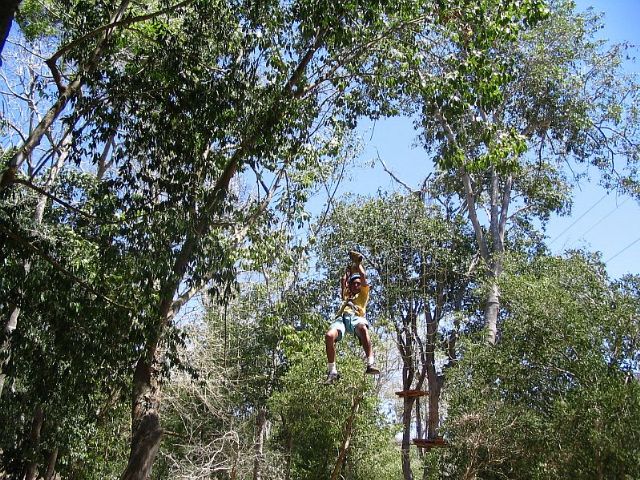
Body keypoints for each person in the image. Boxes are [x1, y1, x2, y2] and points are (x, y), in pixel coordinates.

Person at [324, 250, 380, 384]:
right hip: (341, 319)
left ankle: (370, 363)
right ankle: (332, 371)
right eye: (353, 283)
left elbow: (363, 275)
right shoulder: (346, 295)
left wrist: (357, 264)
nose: (356, 285)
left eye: (358, 284)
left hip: (356, 317)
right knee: (329, 336)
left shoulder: (363, 294)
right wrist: (348, 271)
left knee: (363, 328)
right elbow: (343, 280)